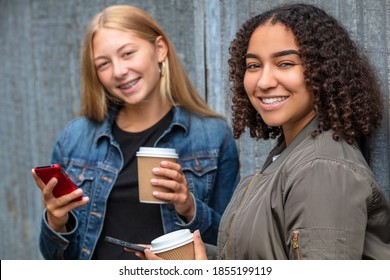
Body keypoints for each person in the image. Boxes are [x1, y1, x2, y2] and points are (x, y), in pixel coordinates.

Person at [145, 3, 390, 260]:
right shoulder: (291, 151)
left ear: (324, 71)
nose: (263, 82)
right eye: (253, 66)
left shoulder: (322, 167)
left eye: (285, 63)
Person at [31, 5, 239, 260]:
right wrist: (56, 221)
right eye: (103, 64)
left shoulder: (213, 136)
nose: (118, 71)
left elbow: (231, 246)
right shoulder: (74, 139)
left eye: (128, 53)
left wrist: (189, 206)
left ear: (159, 49)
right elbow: (53, 259)